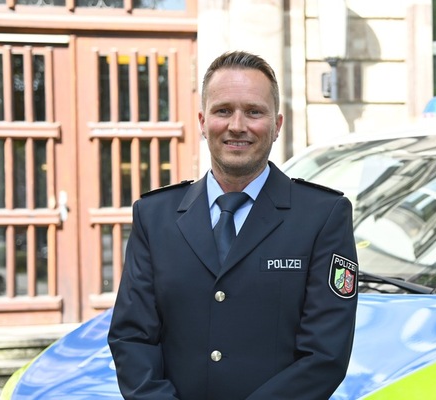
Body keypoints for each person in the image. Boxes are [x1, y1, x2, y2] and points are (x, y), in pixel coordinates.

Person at [108, 50, 359, 400]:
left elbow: (324, 355)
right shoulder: (154, 216)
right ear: (202, 121)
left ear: (277, 126)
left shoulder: (322, 216)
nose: (237, 125)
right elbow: (132, 337)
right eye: (223, 110)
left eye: (254, 112)